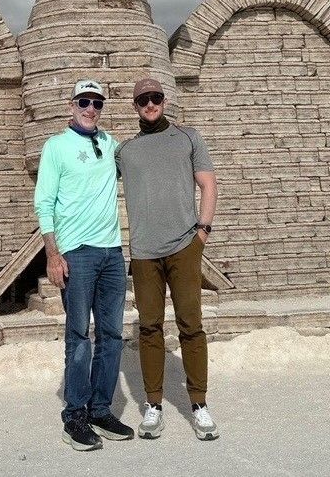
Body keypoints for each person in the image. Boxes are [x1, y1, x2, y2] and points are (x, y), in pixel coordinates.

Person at [115, 77, 220, 441]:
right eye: (143, 99)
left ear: (164, 100)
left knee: (191, 325)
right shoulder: (125, 150)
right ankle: (154, 404)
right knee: (149, 327)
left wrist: (202, 233)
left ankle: (199, 404)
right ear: (135, 106)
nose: (150, 103)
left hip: (183, 246)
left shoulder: (188, 137)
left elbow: (208, 183)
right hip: (144, 253)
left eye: (155, 97)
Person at [34, 79, 134, 451]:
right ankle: (75, 415)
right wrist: (52, 254)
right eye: (84, 101)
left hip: (111, 253)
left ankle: (101, 409)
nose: (91, 108)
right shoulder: (56, 146)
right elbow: (44, 202)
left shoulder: (111, 145)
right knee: (79, 336)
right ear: (71, 105)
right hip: (76, 252)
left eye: (97, 103)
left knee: (111, 335)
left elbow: (141, 167)